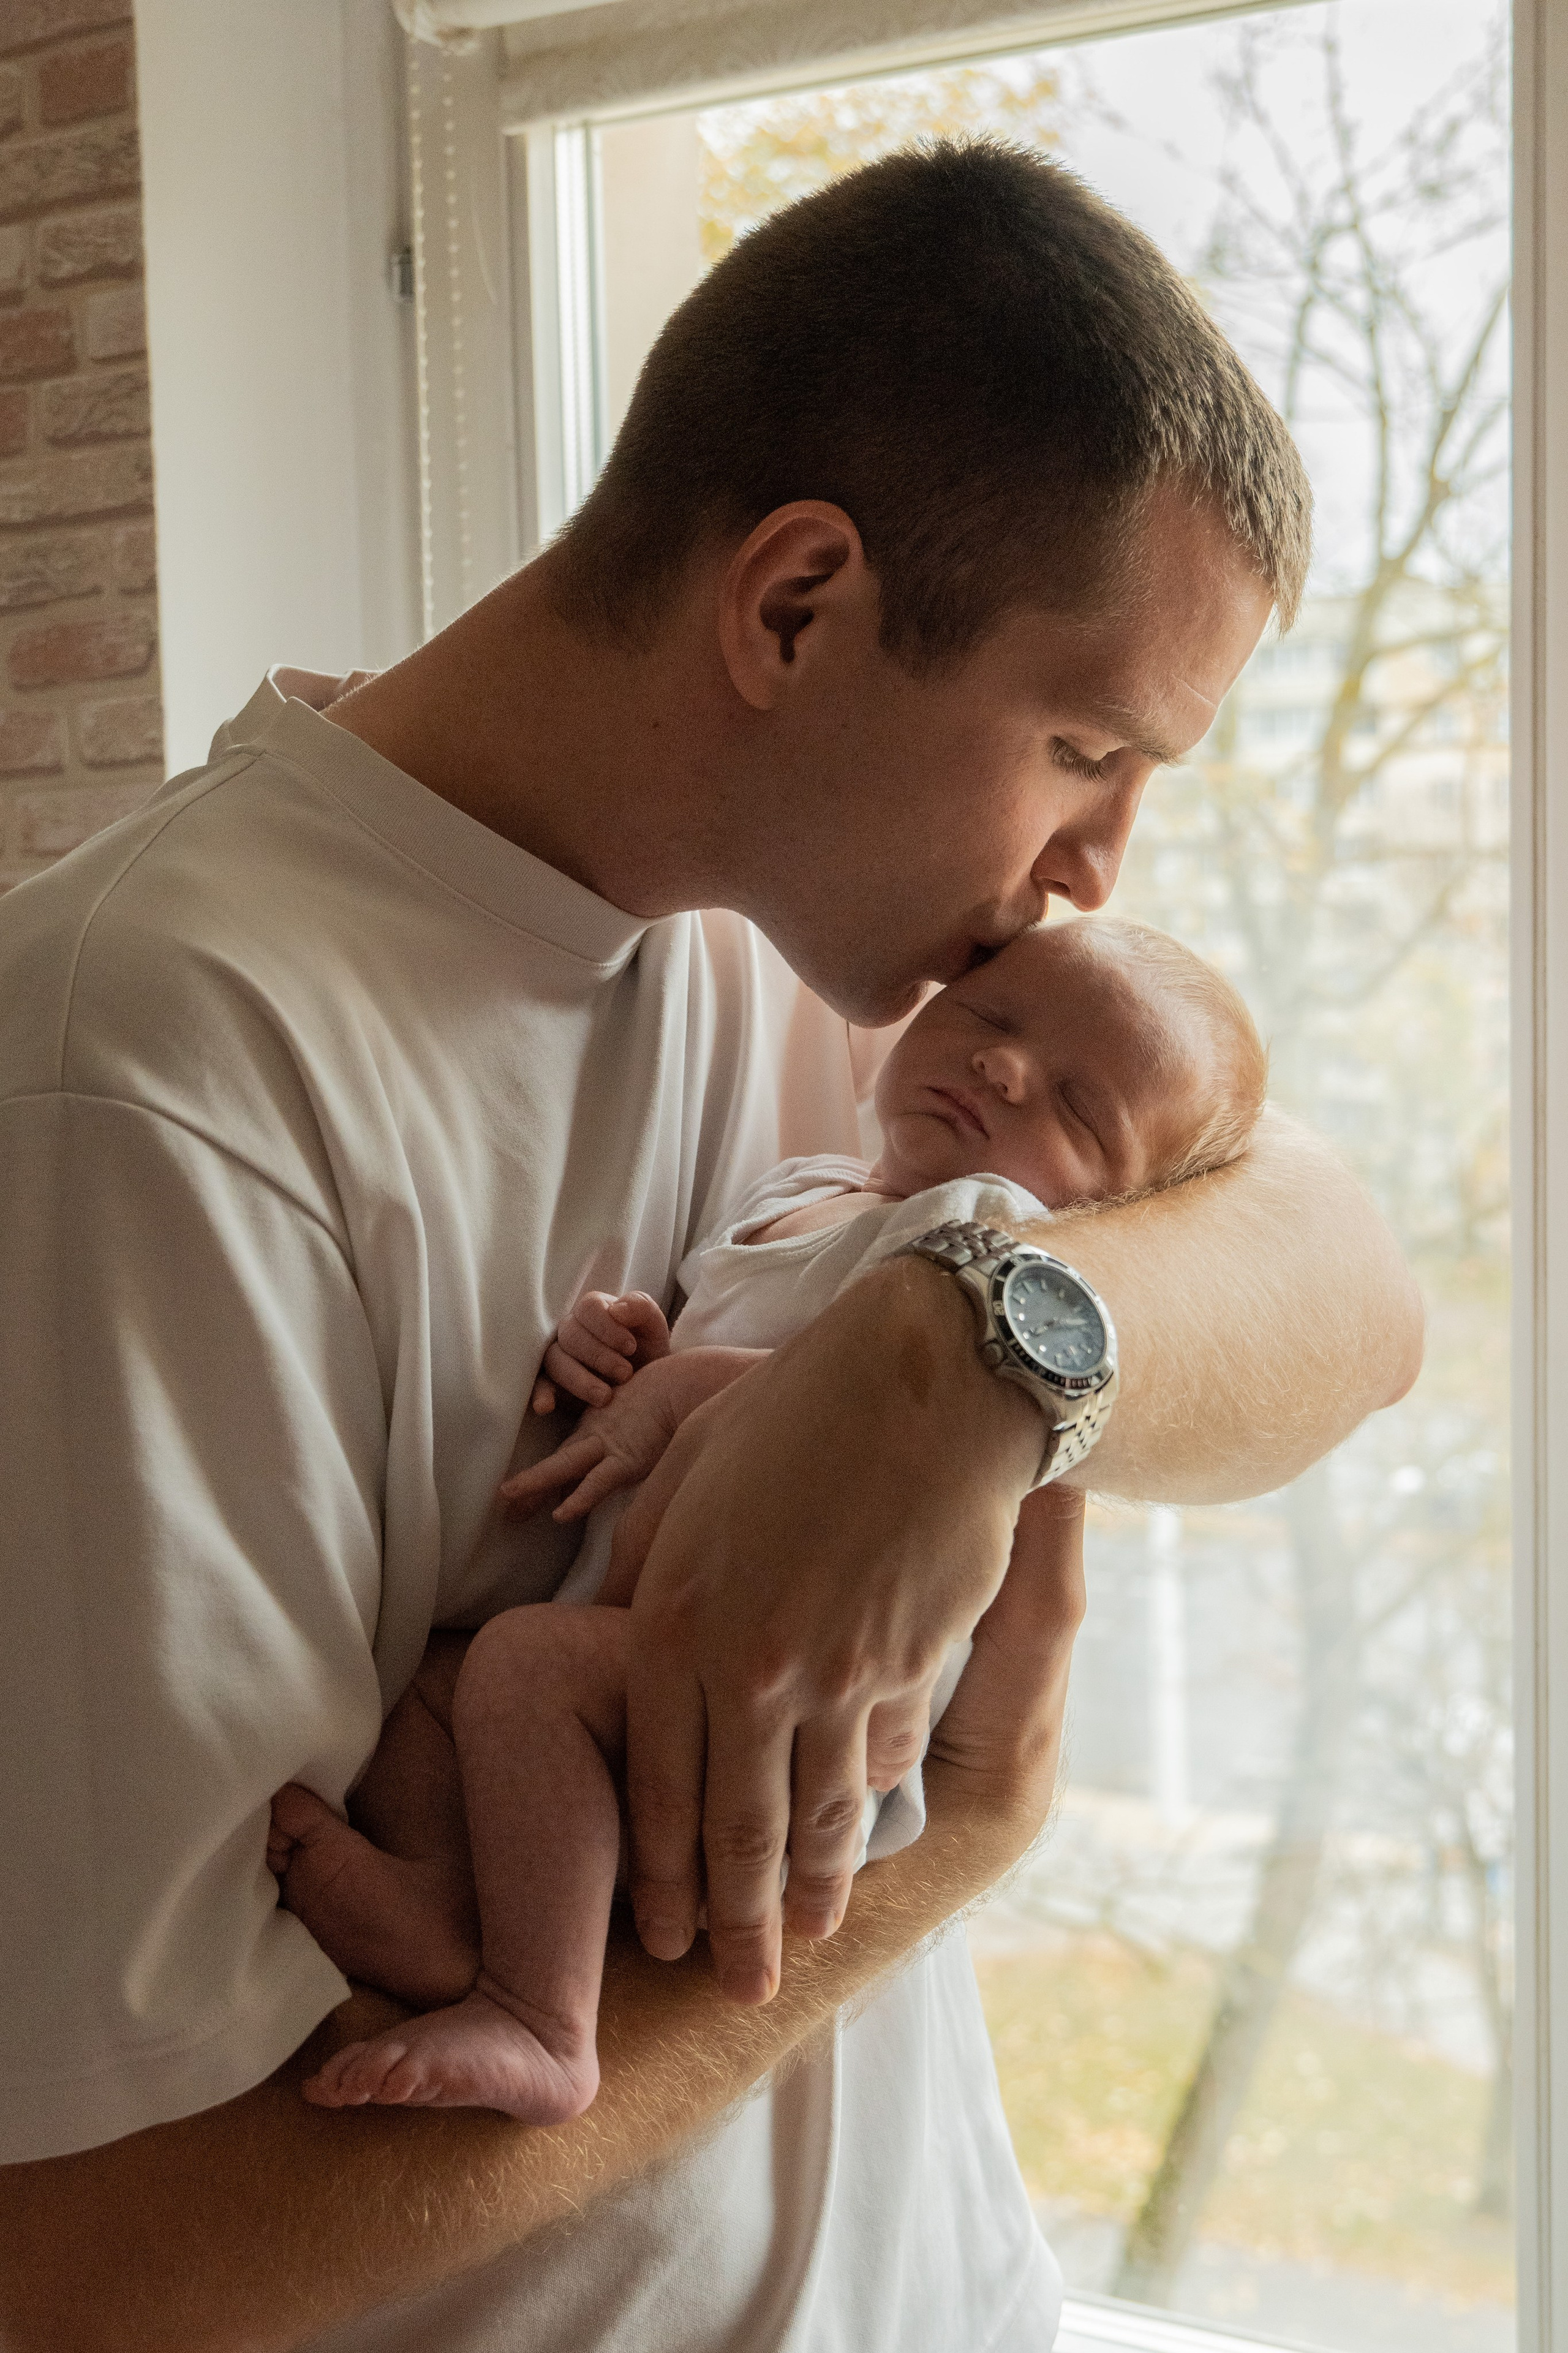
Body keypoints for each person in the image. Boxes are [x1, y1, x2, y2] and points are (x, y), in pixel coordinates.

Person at [0, 145, 1421, 2353]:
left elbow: (1354, 1290)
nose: (1093, 874)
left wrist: (968, 1354)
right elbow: (93, 2281)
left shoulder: (849, 969)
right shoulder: (147, 1080)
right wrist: (939, 1846)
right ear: (792, 609)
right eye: (1081, 749)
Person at [268, 915, 1268, 2122]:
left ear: (1120, 1208)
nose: (1003, 1069)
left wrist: (680, 1394)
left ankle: (542, 2017)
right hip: (669, 1611)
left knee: (521, 1674)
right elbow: (729, 1340)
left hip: (802, 1694)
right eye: (988, 1019)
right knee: (437, 1683)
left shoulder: (980, 1234)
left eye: (1074, 1102)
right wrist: (634, 1342)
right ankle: (456, 1908)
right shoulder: (809, 1192)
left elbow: (867, 1439)